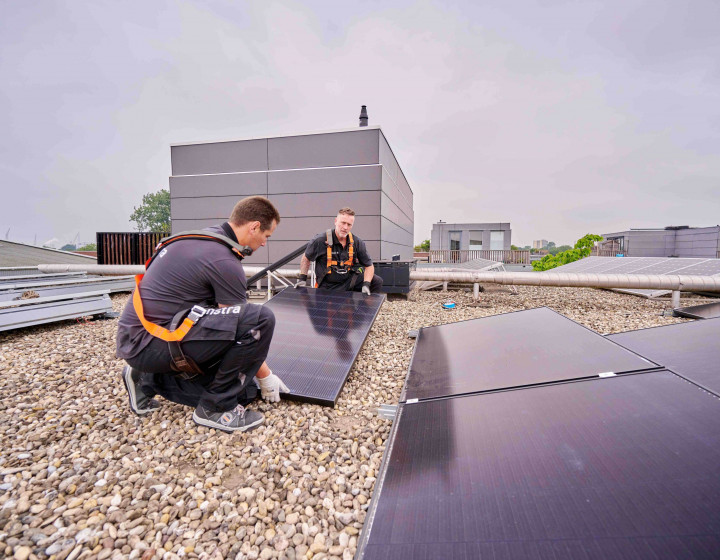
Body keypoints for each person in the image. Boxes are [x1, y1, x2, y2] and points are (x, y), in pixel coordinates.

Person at [116, 196, 289, 433]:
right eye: (266, 236)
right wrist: (266, 377)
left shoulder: (202, 238)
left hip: (137, 338)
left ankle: (147, 379)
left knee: (246, 391)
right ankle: (214, 409)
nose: (264, 244)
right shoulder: (223, 260)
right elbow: (246, 327)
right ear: (254, 227)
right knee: (260, 319)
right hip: (152, 341)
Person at [296, 207, 383, 294]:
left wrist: (366, 284)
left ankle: (363, 307)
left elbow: (369, 266)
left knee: (376, 281)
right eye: (343, 223)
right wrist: (302, 278)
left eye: (349, 225)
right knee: (326, 306)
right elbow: (306, 258)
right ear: (336, 221)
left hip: (348, 282)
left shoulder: (357, 242)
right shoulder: (320, 240)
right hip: (327, 286)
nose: (345, 227)